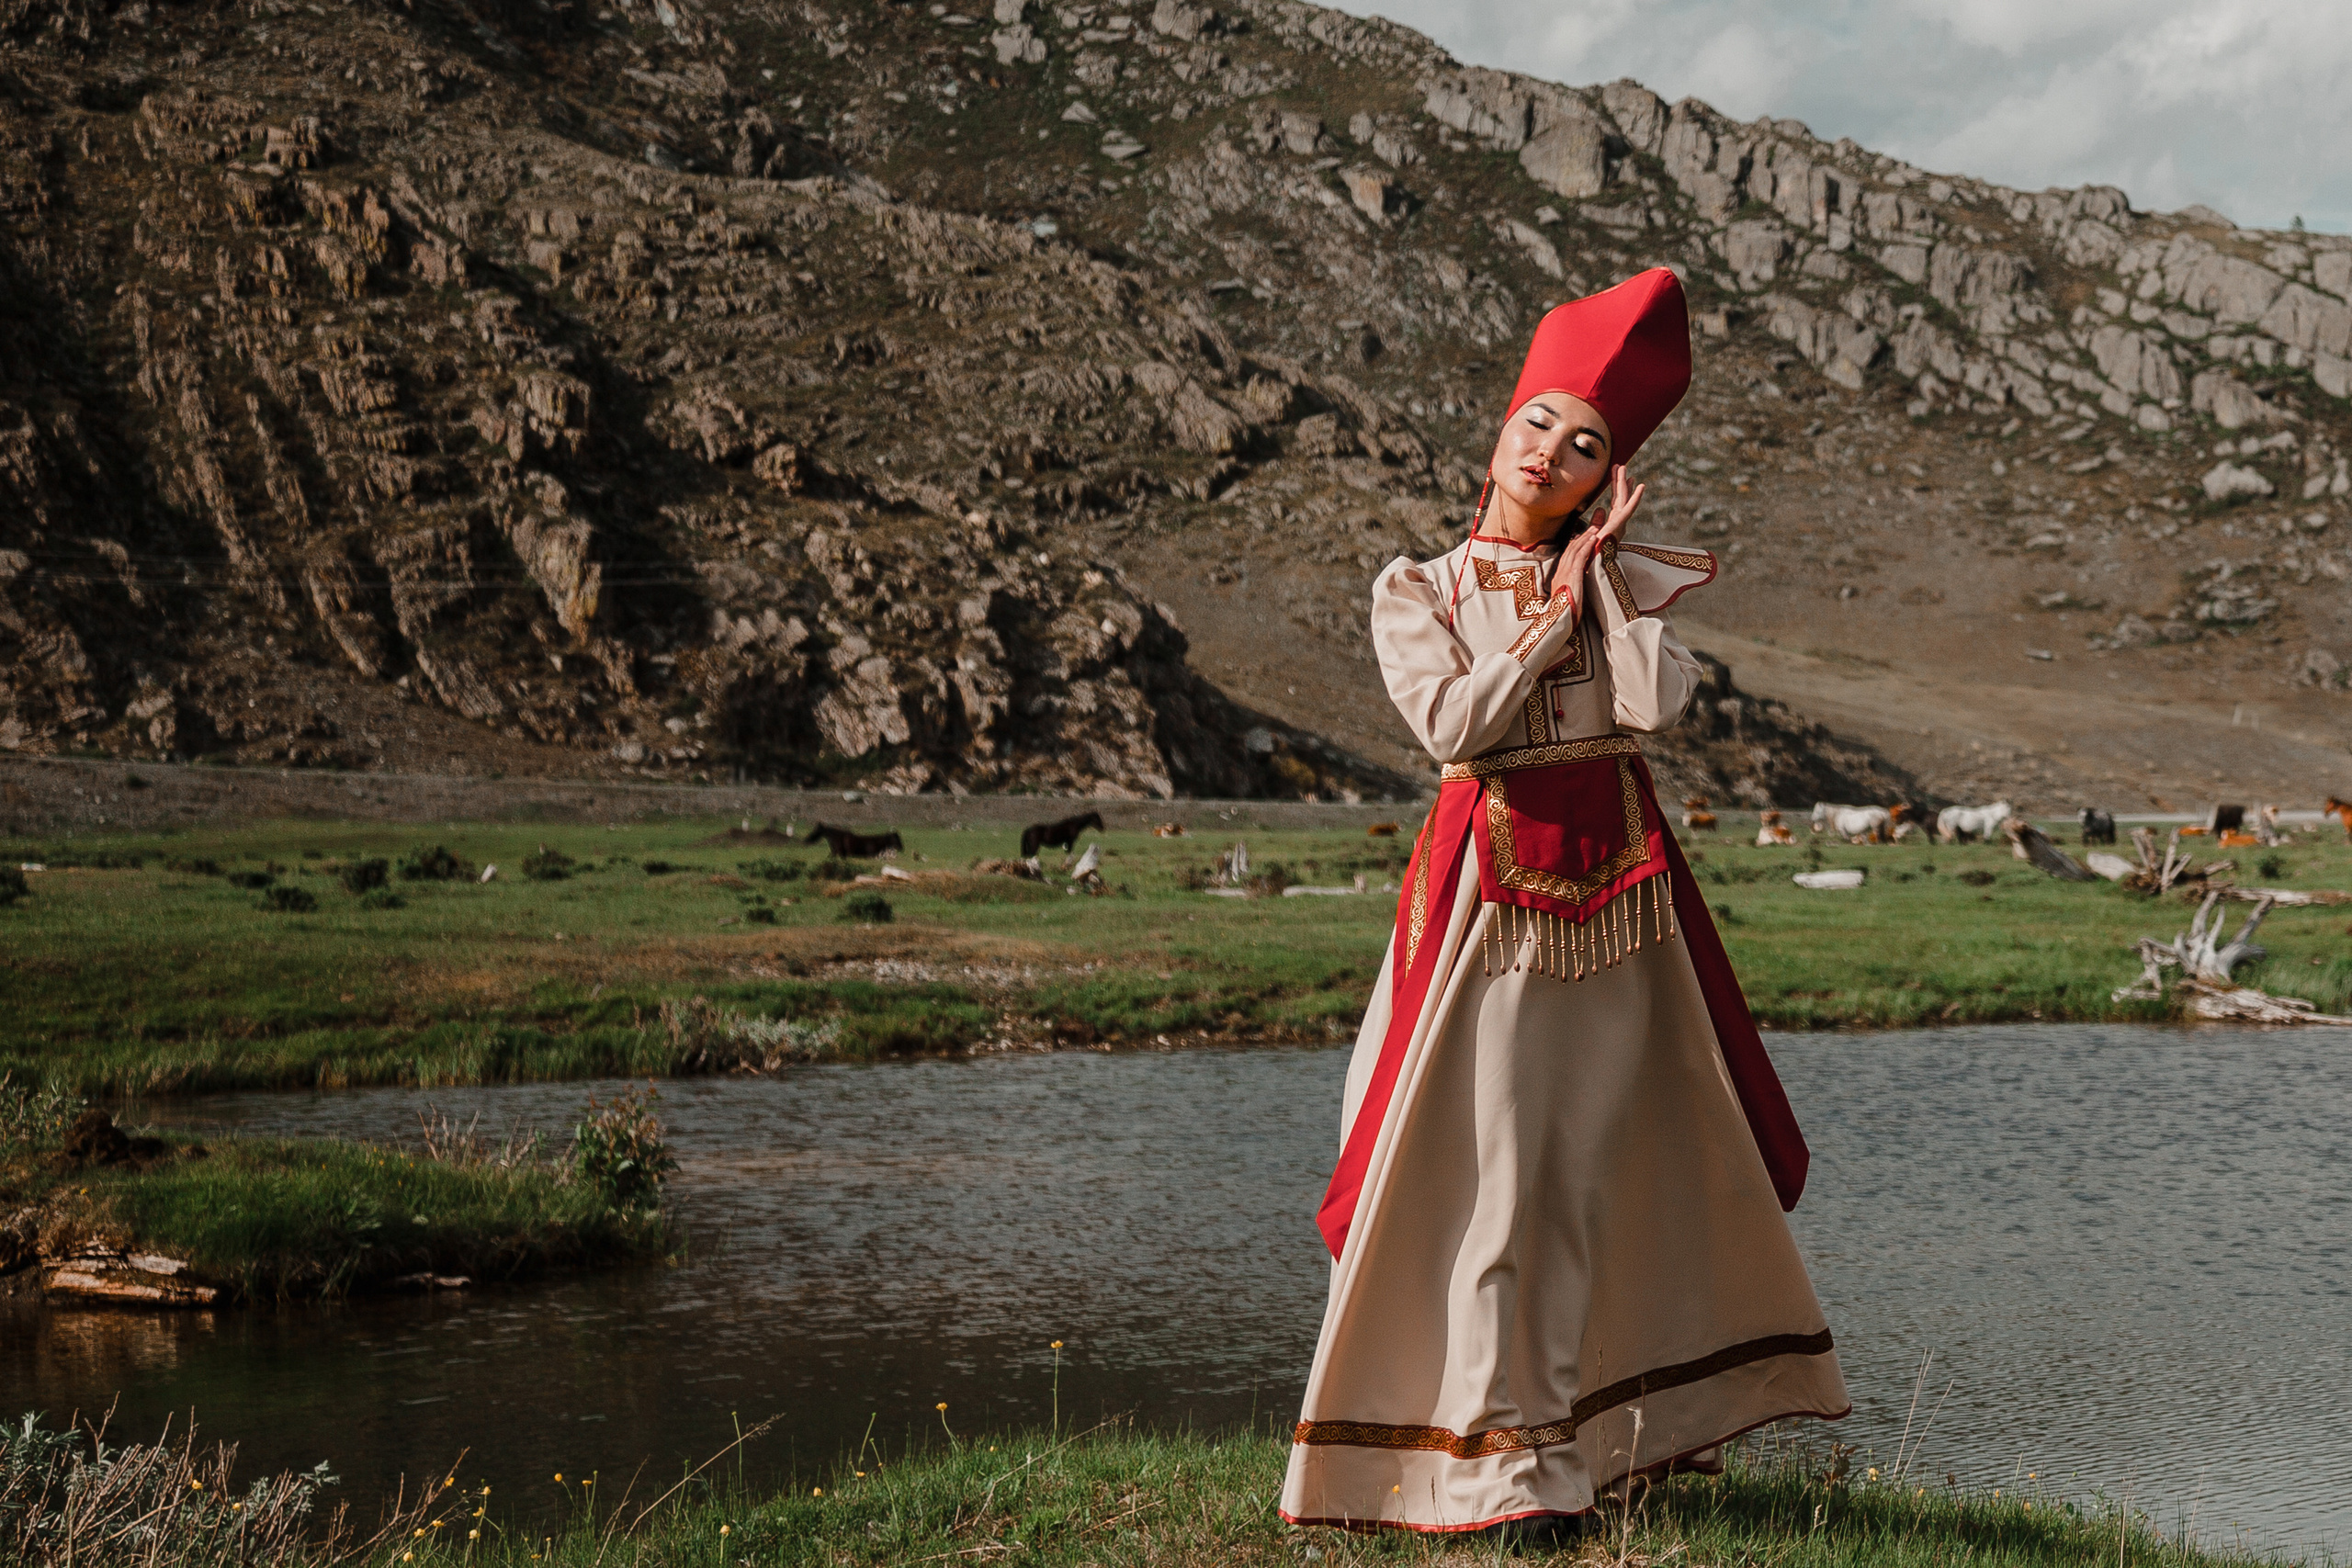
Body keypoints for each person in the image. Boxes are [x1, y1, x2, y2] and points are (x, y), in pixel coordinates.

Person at [1279, 269, 1849, 1544]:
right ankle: (1493, 1466)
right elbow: (1451, 727)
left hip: (1625, 914)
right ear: (1500, 428)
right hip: (1491, 905)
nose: (1555, 452)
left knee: (1603, 1177)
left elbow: (1652, 709)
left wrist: (1595, 588)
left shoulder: (1611, 585)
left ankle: (1591, 1444)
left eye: (1587, 445)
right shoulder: (1416, 588)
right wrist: (1540, 626)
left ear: (1605, 481)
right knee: (1492, 1179)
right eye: (1542, 423)